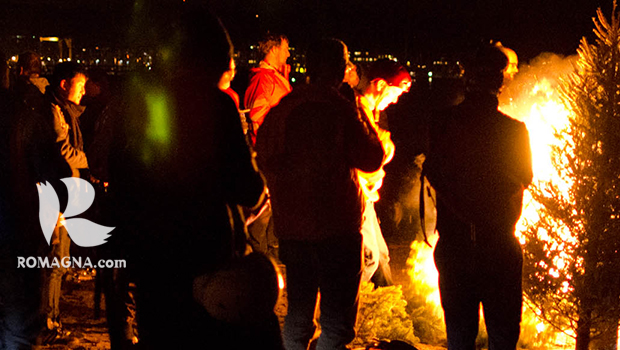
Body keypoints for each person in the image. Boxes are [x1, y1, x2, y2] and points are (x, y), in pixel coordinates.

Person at [109, 4, 274, 349]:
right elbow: (246, 185)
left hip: (153, 263)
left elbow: (122, 183)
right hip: (208, 262)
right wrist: (260, 188)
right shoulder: (218, 106)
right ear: (216, 57)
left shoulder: (140, 106)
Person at [256, 38, 385, 350]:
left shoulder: (285, 107)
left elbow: (264, 154)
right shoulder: (342, 109)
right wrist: (358, 108)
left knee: (298, 318)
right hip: (336, 232)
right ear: (341, 69)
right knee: (337, 325)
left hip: (294, 232)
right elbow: (373, 157)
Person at [424, 44, 533, 350]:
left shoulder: (441, 122)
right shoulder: (514, 131)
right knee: (502, 335)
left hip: (455, 247)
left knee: (459, 336)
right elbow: (524, 178)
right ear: (499, 84)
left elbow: (434, 171)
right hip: (498, 246)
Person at [355, 59, 411, 286]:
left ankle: (389, 306)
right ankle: (348, 311)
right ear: (379, 85)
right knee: (369, 259)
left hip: (365, 196)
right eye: (394, 92)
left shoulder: (371, 111)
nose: (395, 99)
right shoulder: (357, 110)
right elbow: (364, 157)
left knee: (382, 255)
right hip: (355, 195)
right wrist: (384, 149)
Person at [244, 32, 292, 144]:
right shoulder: (263, 78)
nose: (288, 54)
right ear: (274, 50)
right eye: (285, 49)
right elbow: (257, 117)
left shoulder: (271, 77)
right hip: (270, 152)